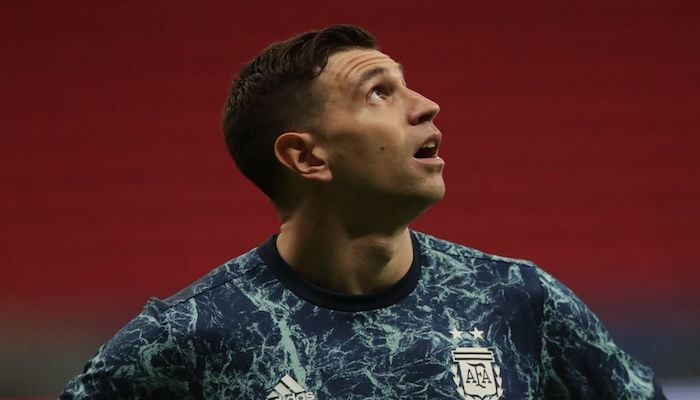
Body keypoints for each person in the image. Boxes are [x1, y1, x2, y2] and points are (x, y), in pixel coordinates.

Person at [60, 25, 665, 399]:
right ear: (307, 157)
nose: (427, 105)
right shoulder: (192, 335)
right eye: (379, 91)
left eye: (407, 85)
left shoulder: (516, 298)